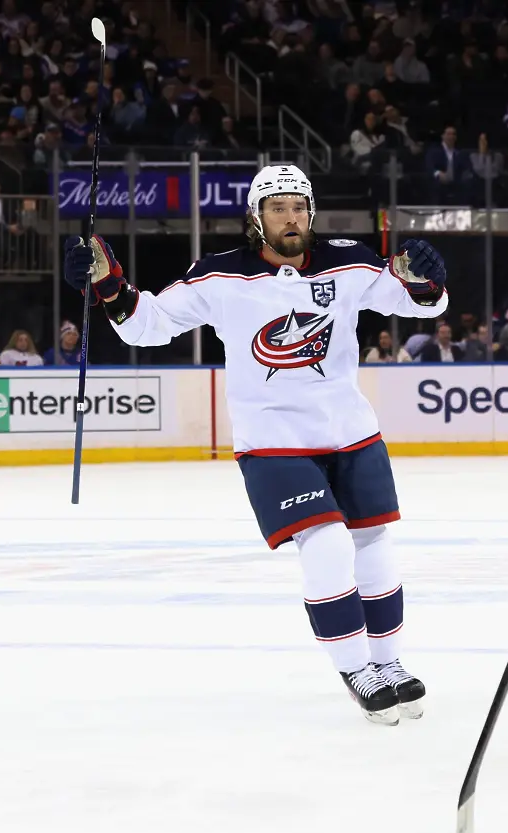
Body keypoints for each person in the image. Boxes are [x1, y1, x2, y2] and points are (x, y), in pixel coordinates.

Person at [63, 164, 449, 725]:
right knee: (326, 542)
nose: (290, 217)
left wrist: (427, 279)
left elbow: (420, 301)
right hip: (272, 441)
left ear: (311, 213)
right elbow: (145, 324)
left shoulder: (350, 261)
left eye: (298, 207)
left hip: (350, 431)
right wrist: (106, 285)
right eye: (277, 208)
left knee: (373, 541)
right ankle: (355, 669)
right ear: (256, 217)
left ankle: (388, 661)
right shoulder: (219, 275)